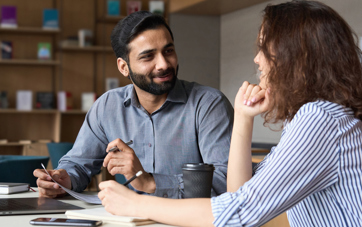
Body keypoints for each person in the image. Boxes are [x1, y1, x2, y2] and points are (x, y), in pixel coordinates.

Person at [97, 1, 362, 226]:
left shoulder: (321, 120)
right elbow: (239, 193)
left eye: (263, 48)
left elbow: (238, 213)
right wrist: (244, 117)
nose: (256, 60)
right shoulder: (317, 117)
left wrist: (137, 203)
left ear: (293, 55)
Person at [33, 11, 234, 199]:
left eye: (168, 51)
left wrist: (150, 183)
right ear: (124, 67)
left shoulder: (208, 104)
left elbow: (228, 181)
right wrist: (63, 179)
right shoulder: (108, 106)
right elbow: (78, 163)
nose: (164, 64)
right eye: (148, 56)